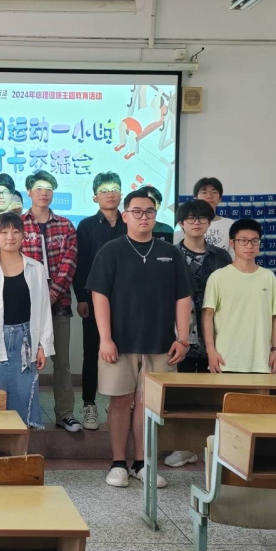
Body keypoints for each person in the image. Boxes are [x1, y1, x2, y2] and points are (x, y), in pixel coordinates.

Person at [86, 188, 191, 489]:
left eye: (149, 212)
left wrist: (183, 339)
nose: (143, 217)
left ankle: (142, 463)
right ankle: (118, 463)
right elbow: (99, 296)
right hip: (120, 343)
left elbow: (183, 297)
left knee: (148, 405)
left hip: (161, 344)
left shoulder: (170, 253)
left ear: (156, 216)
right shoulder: (111, 251)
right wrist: (105, 338)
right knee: (120, 401)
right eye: (137, 212)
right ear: (125, 216)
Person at [163, 199, 232, 469]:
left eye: (202, 218)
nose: (196, 223)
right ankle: (183, 446)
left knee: (210, 393)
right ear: (181, 223)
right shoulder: (169, 253)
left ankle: (210, 445)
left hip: (213, 333)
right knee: (180, 391)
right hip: (178, 331)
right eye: (190, 218)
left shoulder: (221, 256)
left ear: (209, 223)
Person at [0, 212, 52, 428]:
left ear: (23, 236)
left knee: (23, 401)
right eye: (4, 232)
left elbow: (44, 309)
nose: (10, 237)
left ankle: (21, 447)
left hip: (26, 340)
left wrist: (43, 346)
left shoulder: (36, 268)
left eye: (16, 231)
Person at [21, 170, 81, 432]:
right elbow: (14, 262)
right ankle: (26, 413)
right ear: (29, 192)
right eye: (38, 187)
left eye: (48, 188)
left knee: (62, 363)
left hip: (59, 304)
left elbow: (69, 264)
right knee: (26, 361)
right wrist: (36, 298)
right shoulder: (18, 224)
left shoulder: (66, 226)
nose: (43, 192)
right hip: (25, 306)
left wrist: (51, 295)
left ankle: (65, 414)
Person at [72, 172, 127, 431]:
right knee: (92, 352)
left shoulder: (129, 222)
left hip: (127, 301)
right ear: (95, 197)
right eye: (104, 189)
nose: (110, 193)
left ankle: (120, 403)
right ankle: (89, 404)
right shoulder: (86, 226)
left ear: (121, 194)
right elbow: (80, 264)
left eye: (114, 188)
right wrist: (81, 297)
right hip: (94, 300)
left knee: (125, 353)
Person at [203, 218, 276, 375]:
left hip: (261, 362)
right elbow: (207, 316)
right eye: (243, 240)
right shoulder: (218, 277)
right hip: (225, 360)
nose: (249, 246)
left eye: (254, 241)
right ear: (232, 243)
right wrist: (210, 351)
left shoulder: (268, 277)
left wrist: (275, 350)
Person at [174, 177, 234, 251]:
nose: (209, 196)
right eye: (204, 192)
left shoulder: (230, 224)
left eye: (214, 192)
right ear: (195, 198)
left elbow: (233, 255)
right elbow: (176, 251)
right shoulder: (184, 223)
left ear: (220, 198)